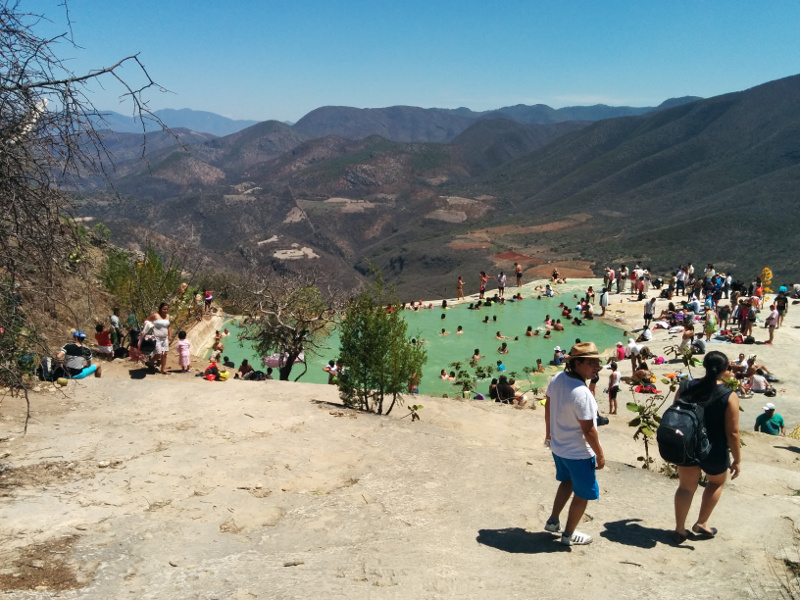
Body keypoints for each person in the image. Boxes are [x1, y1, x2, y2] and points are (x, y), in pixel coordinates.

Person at [673, 351, 741, 544]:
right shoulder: (729, 395)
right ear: (725, 370)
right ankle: (701, 523)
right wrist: (737, 459)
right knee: (716, 482)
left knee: (686, 488)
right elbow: (733, 432)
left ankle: (679, 529)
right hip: (714, 448)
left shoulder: (685, 386)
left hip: (688, 446)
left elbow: (677, 416)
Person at [543, 342, 604, 545]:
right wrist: (601, 455)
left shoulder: (558, 379)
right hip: (578, 453)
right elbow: (588, 430)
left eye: (598, 362)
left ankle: (553, 521)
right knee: (583, 494)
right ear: (577, 363)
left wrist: (549, 435)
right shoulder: (582, 393)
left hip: (559, 447)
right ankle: (568, 535)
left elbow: (548, 407)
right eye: (592, 363)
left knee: (567, 481)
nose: (598, 367)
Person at [146, 303, 171, 374]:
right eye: (164, 309)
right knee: (159, 354)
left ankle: (163, 369)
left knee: (165, 354)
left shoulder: (168, 316)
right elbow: (146, 321)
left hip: (164, 338)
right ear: (160, 309)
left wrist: (170, 335)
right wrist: (150, 327)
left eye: (166, 309)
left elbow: (169, 326)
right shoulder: (155, 316)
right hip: (156, 337)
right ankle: (150, 363)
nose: (165, 311)